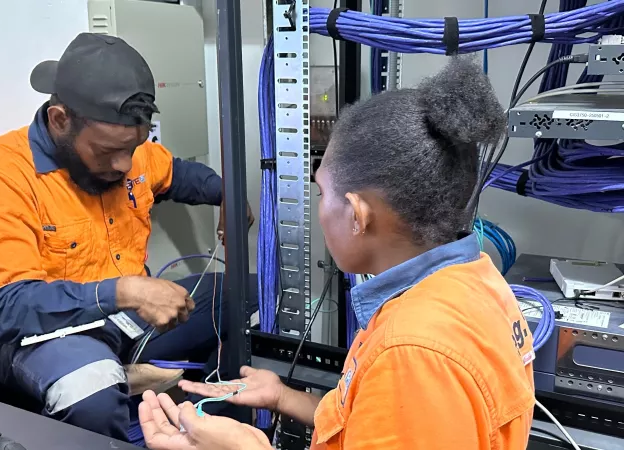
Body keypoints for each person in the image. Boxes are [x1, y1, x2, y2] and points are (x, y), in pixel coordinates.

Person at [137, 57, 536, 450]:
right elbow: (381, 419)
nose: (319, 206)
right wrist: (283, 397)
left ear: (358, 215)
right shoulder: (475, 282)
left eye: (322, 193)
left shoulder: (413, 352)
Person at [0, 33, 254, 441]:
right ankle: (121, 380)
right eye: (106, 151)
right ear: (60, 120)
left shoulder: (126, 149)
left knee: (243, 292)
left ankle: (153, 389)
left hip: (125, 320)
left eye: (133, 147)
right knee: (91, 392)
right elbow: (6, 308)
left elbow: (182, 176)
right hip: (42, 338)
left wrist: (229, 197)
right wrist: (125, 291)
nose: (123, 164)